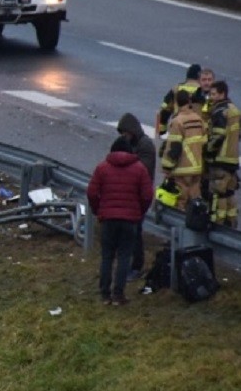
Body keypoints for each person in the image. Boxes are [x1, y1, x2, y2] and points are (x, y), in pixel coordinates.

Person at [87, 137, 153, 306]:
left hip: (108, 219)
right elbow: (147, 195)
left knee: (107, 256)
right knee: (124, 256)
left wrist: (98, 211)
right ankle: (118, 294)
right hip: (130, 220)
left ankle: (104, 294)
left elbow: (92, 193)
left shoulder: (102, 168)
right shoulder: (139, 169)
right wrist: (139, 212)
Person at [117, 112, 156, 279]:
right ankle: (130, 264)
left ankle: (136, 266)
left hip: (139, 195)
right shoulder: (133, 144)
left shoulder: (145, 145)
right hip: (130, 193)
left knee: (135, 231)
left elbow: (142, 171)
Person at [160, 88, 207, 211]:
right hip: (197, 168)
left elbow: (174, 148)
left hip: (182, 170)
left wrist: (167, 168)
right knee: (195, 201)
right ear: (189, 101)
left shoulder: (177, 121)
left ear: (176, 103)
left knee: (181, 203)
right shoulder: (198, 119)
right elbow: (205, 141)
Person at [205, 80, 241, 228]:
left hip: (220, 159)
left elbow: (218, 136)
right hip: (233, 159)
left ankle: (217, 224)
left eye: (214, 94)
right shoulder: (236, 111)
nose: (211, 97)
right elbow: (238, 135)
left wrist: (208, 150)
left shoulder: (219, 112)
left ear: (222, 94)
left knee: (217, 193)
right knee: (229, 193)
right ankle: (231, 222)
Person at [155, 63, 202, 138]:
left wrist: (162, 130)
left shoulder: (176, 89)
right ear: (199, 77)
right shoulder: (203, 91)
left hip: (177, 126)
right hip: (196, 129)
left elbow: (165, 109)